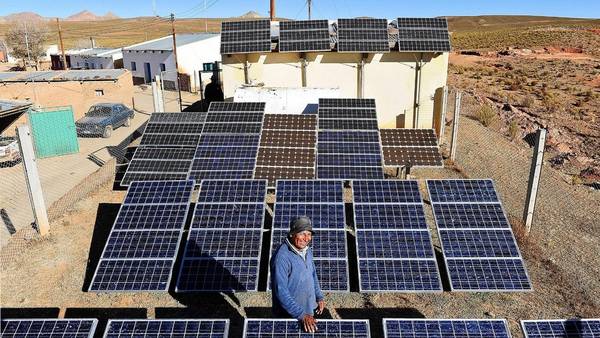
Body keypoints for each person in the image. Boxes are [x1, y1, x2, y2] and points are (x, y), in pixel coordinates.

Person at [270, 216, 325, 333]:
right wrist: (301, 315)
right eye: (302, 234)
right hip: (291, 316)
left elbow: (313, 274)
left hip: (308, 310)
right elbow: (281, 292)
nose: (306, 238)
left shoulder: (307, 250)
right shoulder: (282, 257)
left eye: (309, 234)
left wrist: (319, 296)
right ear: (292, 234)